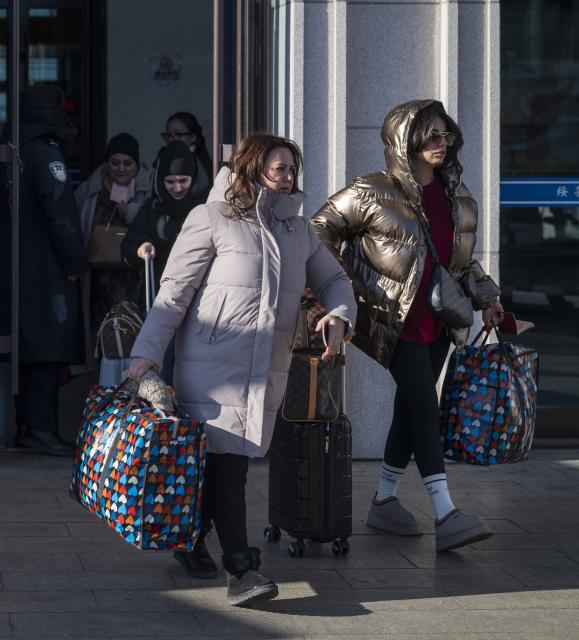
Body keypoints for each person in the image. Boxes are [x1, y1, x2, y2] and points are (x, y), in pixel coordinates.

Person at [127, 132, 356, 606]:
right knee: (228, 470)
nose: (288, 177)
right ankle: (241, 567)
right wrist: (145, 355)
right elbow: (173, 294)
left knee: (218, 468)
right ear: (253, 169)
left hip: (266, 371)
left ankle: (190, 543)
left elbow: (334, 279)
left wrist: (339, 314)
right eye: (279, 169)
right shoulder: (212, 218)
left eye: (293, 169)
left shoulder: (298, 230)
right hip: (211, 369)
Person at [310, 99, 504, 553]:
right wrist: (350, 285)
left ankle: (384, 501)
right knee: (423, 405)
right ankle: (445, 511)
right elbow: (320, 229)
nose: (443, 143)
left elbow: (462, 261)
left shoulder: (457, 194)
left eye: (447, 135)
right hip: (391, 322)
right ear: (406, 141)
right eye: (432, 136)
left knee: (411, 406)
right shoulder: (371, 191)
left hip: (440, 320)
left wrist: (490, 299)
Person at [0, 86, 87, 454]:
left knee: (25, 345)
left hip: (14, 266)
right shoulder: (46, 155)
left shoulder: (12, 152)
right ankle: (42, 428)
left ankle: (25, 424)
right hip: (47, 267)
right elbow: (61, 214)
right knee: (51, 344)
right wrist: (75, 264)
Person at [122, 141, 207, 383]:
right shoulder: (154, 207)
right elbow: (127, 246)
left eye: (183, 181)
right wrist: (141, 248)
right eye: (170, 182)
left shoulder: (207, 208)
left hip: (200, 303)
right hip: (162, 301)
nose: (177, 188)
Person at [74, 133, 153, 384]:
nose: (120, 169)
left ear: (137, 164)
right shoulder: (91, 188)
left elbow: (152, 225)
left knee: (132, 327)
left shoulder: (148, 185)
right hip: (98, 276)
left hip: (134, 275)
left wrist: (129, 211)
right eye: (114, 162)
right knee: (100, 331)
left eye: (127, 163)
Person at [156, 111, 212, 201]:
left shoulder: (203, 167)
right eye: (168, 134)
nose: (171, 139)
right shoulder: (160, 159)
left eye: (178, 134)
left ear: (193, 137)